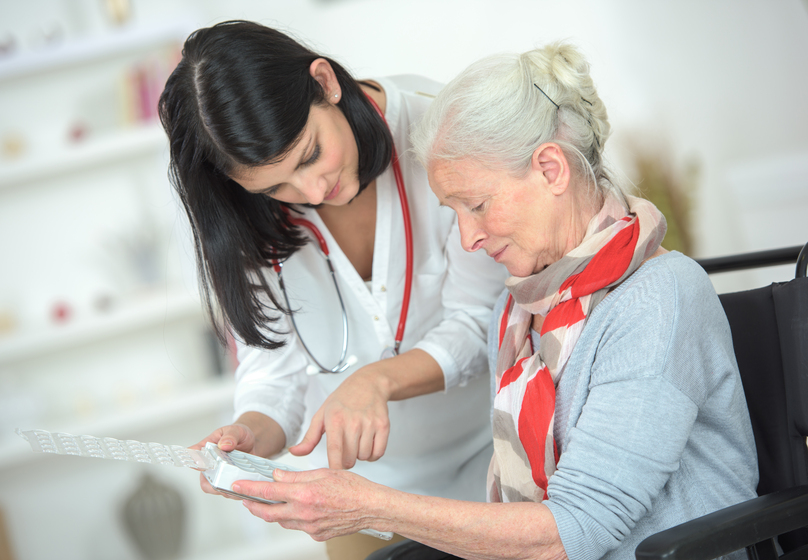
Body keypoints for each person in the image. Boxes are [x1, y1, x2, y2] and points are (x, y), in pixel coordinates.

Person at [226, 43, 760, 560]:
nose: (467, 240)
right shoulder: (521, 315)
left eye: (477, 205)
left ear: (551, 169)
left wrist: (372, 506)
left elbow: (571, 533)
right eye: (452, 211)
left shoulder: (657, 300)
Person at [157, 20, 507, 560]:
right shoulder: (247, 213)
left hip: (496, 469)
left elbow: (484, 321)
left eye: (311, 155)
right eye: (276, 186)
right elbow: (275, 371)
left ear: (325, 82)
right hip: (358, 499)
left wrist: (378, 380)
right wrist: (250, 432)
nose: (312, 191)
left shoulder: (441, 131)